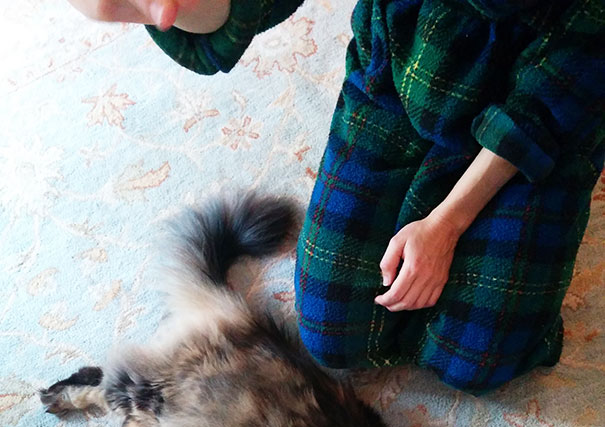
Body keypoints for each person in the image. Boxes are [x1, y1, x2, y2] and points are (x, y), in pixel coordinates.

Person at [68, 0, 605, 395]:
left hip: (539, 108)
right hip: (401, 71)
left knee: (480, 361)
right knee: (330, 333)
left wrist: (444, 225)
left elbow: (545, 105)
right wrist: (161, 6)